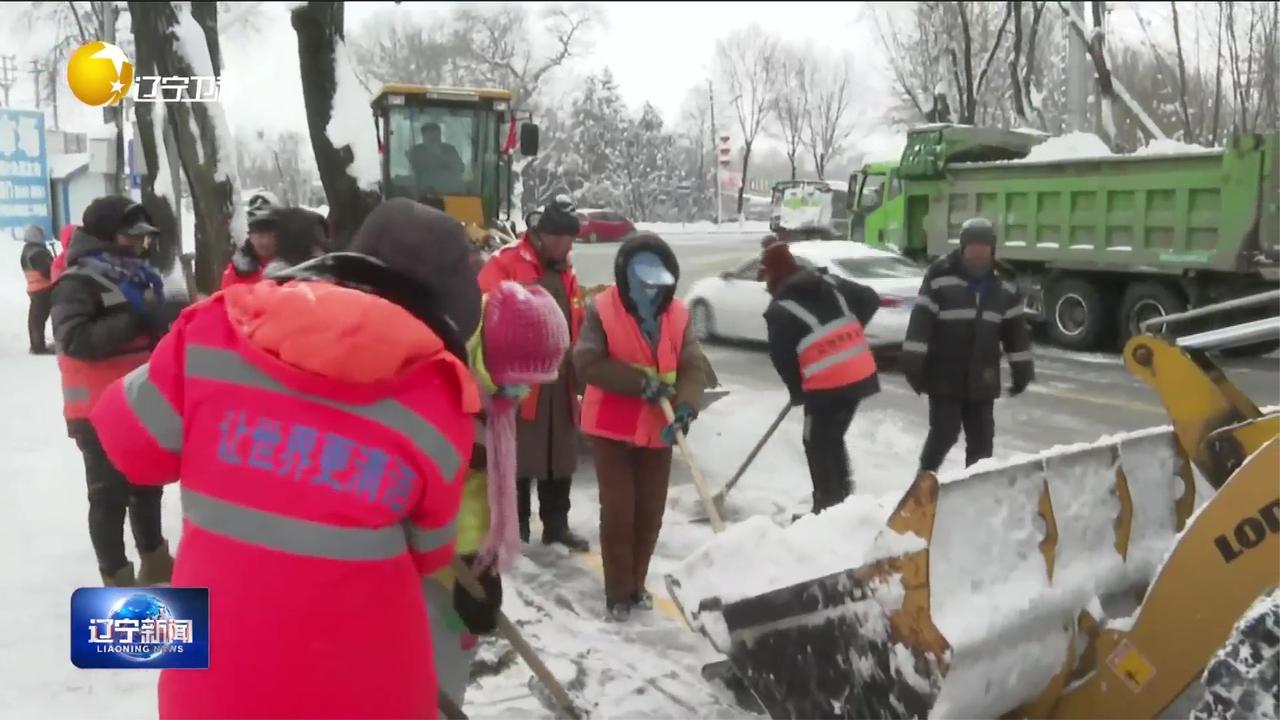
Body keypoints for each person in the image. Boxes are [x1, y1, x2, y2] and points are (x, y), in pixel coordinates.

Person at [88, 198, 483, 719]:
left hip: (215, 680)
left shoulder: (214, 332)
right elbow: (432, 552)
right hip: (365, 690)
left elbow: (126, 441)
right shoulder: (440, 400)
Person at [426, 280, 570, 713]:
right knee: (428, 654)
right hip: (419, 564)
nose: (522, 392)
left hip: (458, 558)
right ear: (489, 359)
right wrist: (467, 563)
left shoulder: (488, 399)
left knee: (455, 641)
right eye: (517, 379)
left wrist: (481, 562)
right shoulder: (438, 389)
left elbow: (477, 492)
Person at [573, 232, 706, 622]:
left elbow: (692, 365)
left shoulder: (679, 315)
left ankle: (637, 585)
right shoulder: (603, 309)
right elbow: (586, 362)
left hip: (659, 429)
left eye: (657, 284)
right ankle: (618, 593)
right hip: (612, 428)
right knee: (619, 513)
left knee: (649, 514)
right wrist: (638, 383)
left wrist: (685, 407)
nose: (650, 292)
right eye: (641, 282)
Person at [51, 196, 172, 587]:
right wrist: (138, 318)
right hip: (96, 410)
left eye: (143, 237)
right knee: (108, 497)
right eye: (130, 235)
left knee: (147, 487)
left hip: (139, 403)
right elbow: (75, 339)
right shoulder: (76, 281)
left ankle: (156, 562)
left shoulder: (137, 275)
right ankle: (117, 579)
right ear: (104, 235)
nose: (139, 244)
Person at [478, 196, 590, 552]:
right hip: (522, 380)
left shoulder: (566, 268)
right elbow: (484, 310)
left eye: (572, 239)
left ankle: (557, 525)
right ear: (543, 235)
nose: (569, 246)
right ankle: (519, 528)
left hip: (561, 379)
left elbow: (577, 317)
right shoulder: (507, 261)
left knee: (560, 455)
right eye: (564, 239)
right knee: (521, 457)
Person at [901, 217, 1035, 473]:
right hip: (945, 374)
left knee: (983, 442)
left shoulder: (1004, 285)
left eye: (984, 247)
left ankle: (976, 490)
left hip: (983, 376)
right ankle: (923, 483)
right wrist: (913, 362)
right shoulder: (940, 277)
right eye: (973, 246)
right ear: (963, 248)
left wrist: (1022, 370)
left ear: (992, 249)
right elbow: (921, 322)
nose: (978, 252)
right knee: (944, 433)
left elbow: (1016, 332)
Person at [759, 241, 882, 514]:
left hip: (828, 384)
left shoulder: (780, 310)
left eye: (765, 277)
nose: (765, 284)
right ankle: (843, 502)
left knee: (816, 441)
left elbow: (784, 360)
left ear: (774, 274)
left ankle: (826, 508)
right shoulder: (830, 282)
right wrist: (848, 328)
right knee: (832, 437)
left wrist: (796, 391)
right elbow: (870, 298)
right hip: (860, 373)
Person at [220, 190, 281, 289]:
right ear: (250, 236)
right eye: (260, 235)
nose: (265, 241)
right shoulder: (237, 272)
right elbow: (227, 301)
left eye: (271, 235)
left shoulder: (294, 266)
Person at [19, 224, 55, 354]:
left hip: (34, 288)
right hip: (44, 288)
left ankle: (36, 345)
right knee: (41, 318)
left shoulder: (27, 250)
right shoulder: (38, 252)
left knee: (35, 318)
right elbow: (47, 270)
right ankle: (38, 346)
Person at [409, 123, 465, 194]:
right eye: (431, 139)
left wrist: (447, 162)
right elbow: (417, 167)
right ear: (423, 137)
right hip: (425, 195)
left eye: (437, 137)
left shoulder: (449, 149)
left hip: (452, 193)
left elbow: (461, 168)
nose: (435, 141)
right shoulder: (417, 151)